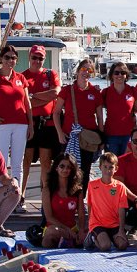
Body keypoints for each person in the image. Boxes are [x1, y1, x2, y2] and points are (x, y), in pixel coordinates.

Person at [0, 45, 33, 210]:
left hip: (21, 125)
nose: (11, 61)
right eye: (7, 57)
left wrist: (31, 124)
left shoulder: (20, 78)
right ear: (1, 59)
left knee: (17, 163)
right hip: (1, 125)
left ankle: (17, 199)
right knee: (0, 162)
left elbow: (26, 102)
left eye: (14, 58)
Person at [53, 59, 104, 193]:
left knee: (85, 171)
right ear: (77, 71)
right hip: (69, 137)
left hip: (88, 138)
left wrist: (101, 139)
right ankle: (66, 197)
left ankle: (81, 200)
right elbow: (56, 113)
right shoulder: (66, 91)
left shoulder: (95, 92)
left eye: (90, 70)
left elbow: (99, 117)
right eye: (83, 69)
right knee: (67, 169)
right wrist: (59, 133)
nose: (86, 72)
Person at [21, 44, 62, 210]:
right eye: (34, 57)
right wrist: (43, 99)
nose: (37, 61)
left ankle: (45, 196)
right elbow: (24, 102)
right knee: (26, 160)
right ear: (29, 58)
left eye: (40, 58)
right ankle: (20, 196)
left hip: (47, 123)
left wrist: (33, 97)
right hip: (29, 122)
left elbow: (55, 93)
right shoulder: (22, 76)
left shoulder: (50, 74)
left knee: (46, 161)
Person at [85, 152, 129, 252]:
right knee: (105, 246)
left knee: (123, 245)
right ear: (100, 167)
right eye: (105, 167)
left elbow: (122, 209)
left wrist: (121, 230)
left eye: (111, 167)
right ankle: (92, 238)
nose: (108, 170)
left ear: (116, 169)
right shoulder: (92, 185)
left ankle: (112, 238)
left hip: (114, 224)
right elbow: (90, 205)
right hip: (98, 224)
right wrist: (90, 225)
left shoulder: (120, 186)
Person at [41, 153, 86, 249]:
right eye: (62, 166)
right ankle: (68, 242)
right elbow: (49, 218)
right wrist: (67, 230)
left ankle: (68, 242)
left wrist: (81, 230)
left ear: (72, 170)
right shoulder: (47, 190)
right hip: (54, 229)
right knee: (48, 238)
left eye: (69, 167)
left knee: (94, 233)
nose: (65, 170)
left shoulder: (78, 190)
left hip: (73, 229)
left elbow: (81, 214)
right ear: (56, 168)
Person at [101, 61, 137, 156]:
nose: (119, 75)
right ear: (112, 75)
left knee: (127, 164)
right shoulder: (106, 92)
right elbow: (95, 109)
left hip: (128, 135)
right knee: (112, 164)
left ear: (126, 75)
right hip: (111, 135)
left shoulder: (132, 91)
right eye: (116, 72)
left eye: (122, 72)